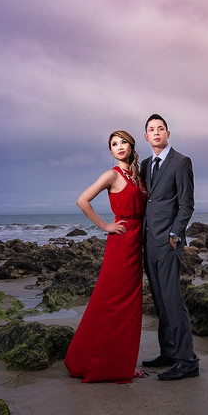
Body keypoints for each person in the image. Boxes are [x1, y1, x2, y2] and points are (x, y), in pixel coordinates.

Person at [63, 130, 147, 383]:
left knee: (130, 305)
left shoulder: (138, 177)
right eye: (114, 144)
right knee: (112, 302)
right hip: (120, 242)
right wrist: (105, 226)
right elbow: (82, 200)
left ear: (132, 146)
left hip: (136, 241)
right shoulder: (112, 175)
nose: (119, 147)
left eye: (123, 143)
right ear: (110, 151)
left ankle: (122, 363)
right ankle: (97, 362)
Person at [140, 113, 199, 381]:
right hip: (149, 242)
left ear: (168, 133)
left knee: (173, 300)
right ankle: (169, 352)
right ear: (146, 136)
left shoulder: (181, 162)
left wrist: (176, 233)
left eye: (160, 128)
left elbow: (187, 204)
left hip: (169, 242)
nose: (156, 133)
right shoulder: (144, 165)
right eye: (151, 129)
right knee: (160, 301)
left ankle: (188, 361)